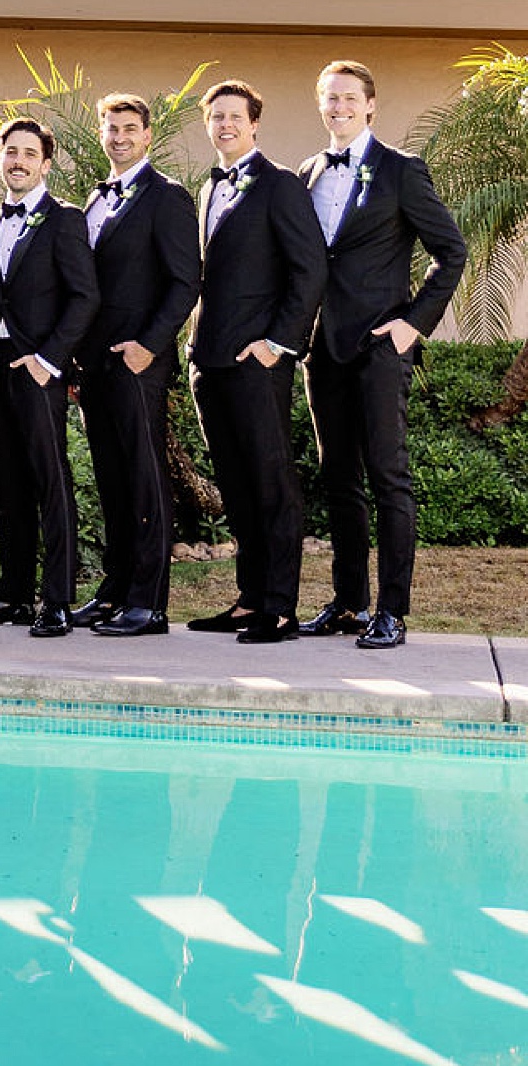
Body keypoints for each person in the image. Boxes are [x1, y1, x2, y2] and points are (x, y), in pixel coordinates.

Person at [297, 59, 468, 651]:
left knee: (388, 478)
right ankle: (348, 603)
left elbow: (452, 251)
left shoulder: (401, 171)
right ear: (321, 106)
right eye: (330, 98)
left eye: (349, 97)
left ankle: (391, 611)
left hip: (380, 347)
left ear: (370, 105)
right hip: (322, 350)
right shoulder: (308, 172)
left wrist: (413, 325)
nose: (339, 106)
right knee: (339, 479)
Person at [187, 79, 326, 644]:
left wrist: (278, 342)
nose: (225, 125)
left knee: (271, 482)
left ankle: (280, 606)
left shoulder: (280, 185)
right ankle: (249, 599)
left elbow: (309, 269)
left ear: (254, 123)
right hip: (209, 359)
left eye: (234, 116)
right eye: (216, 117)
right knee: (237, 484)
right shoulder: (206, 189)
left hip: (257, 361)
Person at [0, 119, 99, 638]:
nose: (17, 160)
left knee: (49, 483)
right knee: (8, 485)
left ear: (45, 162)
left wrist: (50, 359)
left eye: (28, 153)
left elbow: (85, 296)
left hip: (40, 370)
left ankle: (57, 599)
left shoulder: (65, 220)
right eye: (9, 151)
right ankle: (13, 595)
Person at [72, 92, 201, 639]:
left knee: (145, 481)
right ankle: (115, 590)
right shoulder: (94, 202)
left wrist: (148, 345)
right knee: (112, 480)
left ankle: (148, 604)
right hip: (95, 365)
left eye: (129, 128)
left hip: (138, 363)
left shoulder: (166, 197)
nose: (120, 137)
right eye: (111, 128)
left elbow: (184, 280)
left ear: (147, 135)